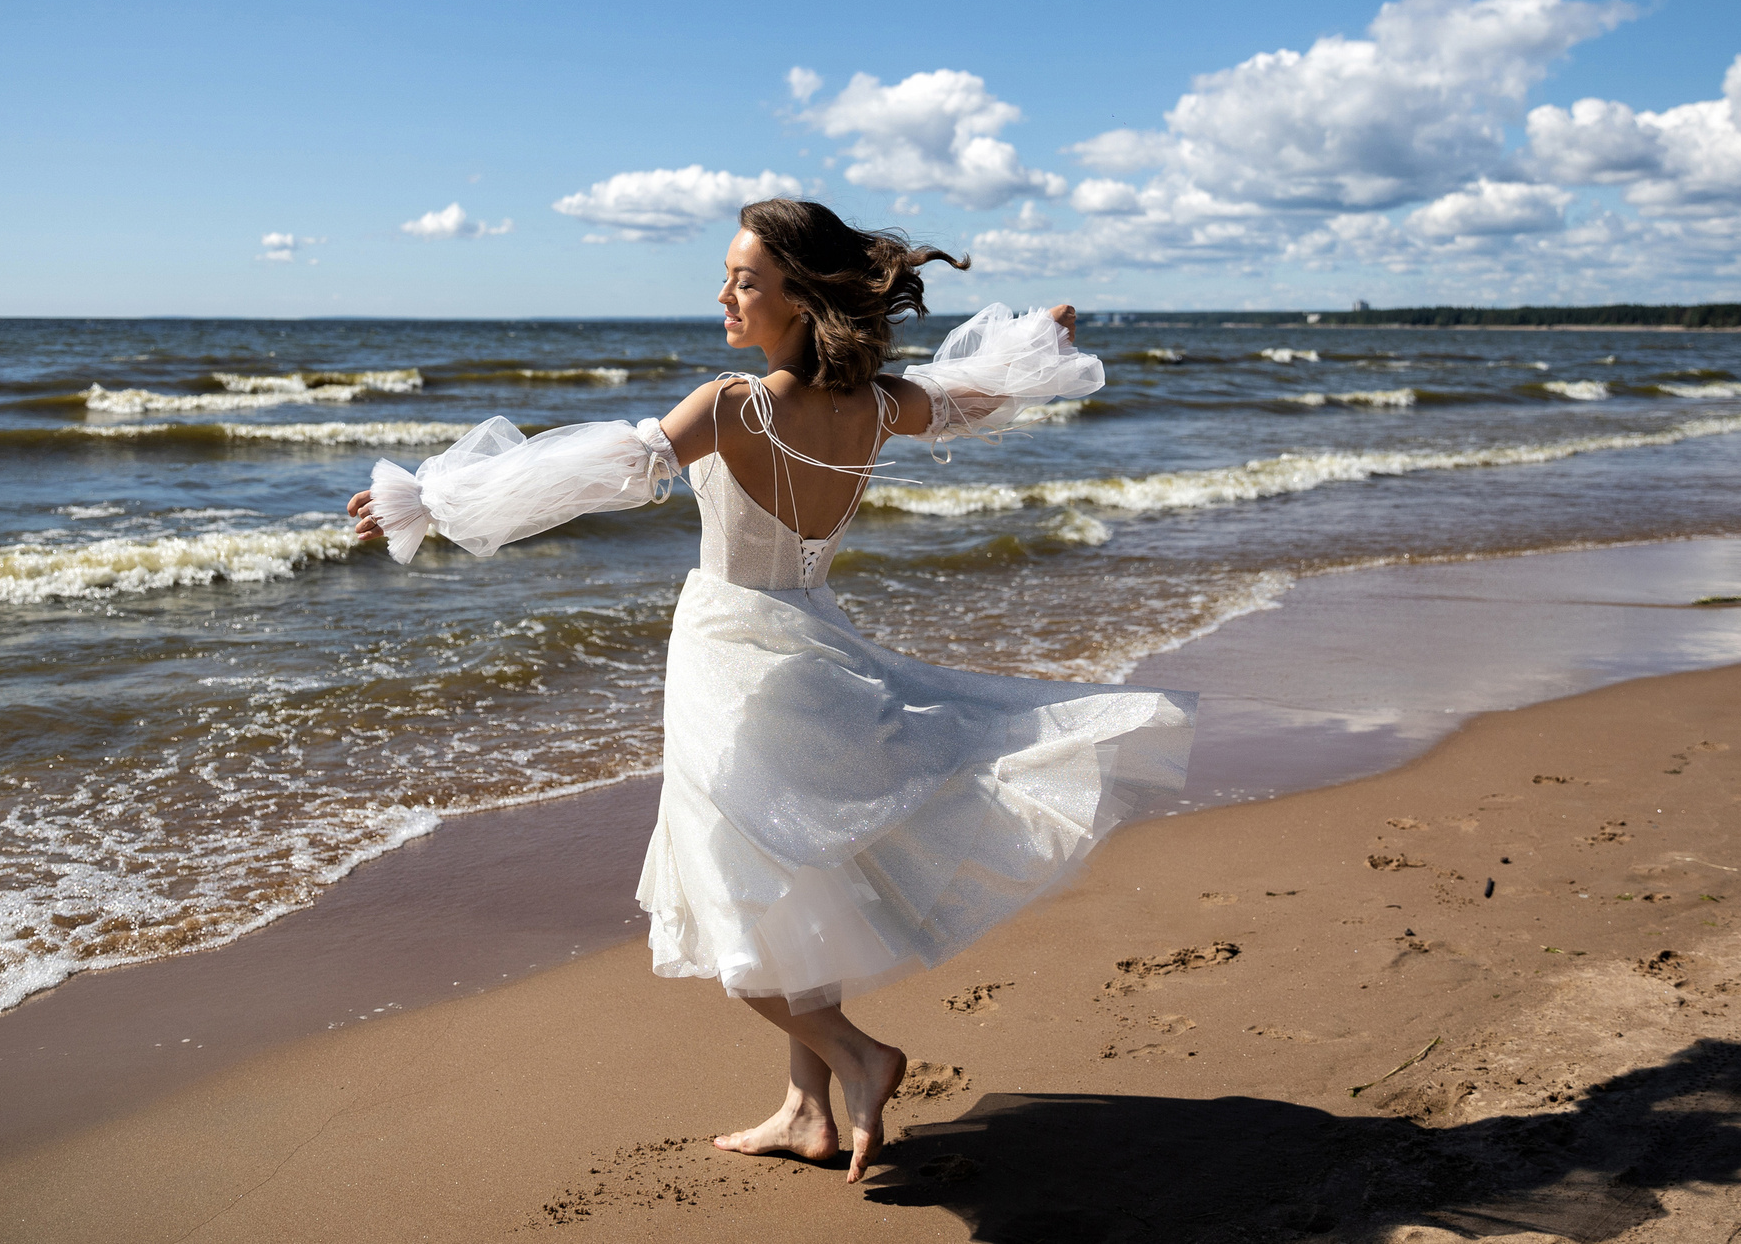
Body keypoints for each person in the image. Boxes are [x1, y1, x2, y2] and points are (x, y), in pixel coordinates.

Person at [346, 198, 1195, 1181]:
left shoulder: (732, 407)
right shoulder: (878, 404)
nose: (724, 294)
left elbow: (591, 475)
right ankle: (805, 1109)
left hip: (728, 658)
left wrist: (427, 498)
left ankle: (856, 1055)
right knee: (799, 880)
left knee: (726, 901)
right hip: (816, 643)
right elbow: (971, 398)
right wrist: (1036, 348)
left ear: (800, 296)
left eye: (745, 280)